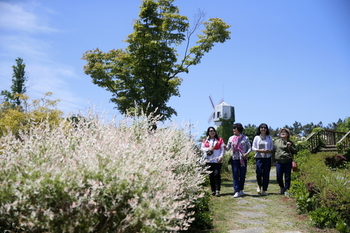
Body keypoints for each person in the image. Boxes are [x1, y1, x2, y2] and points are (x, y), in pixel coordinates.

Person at [225, 123, 251, 198]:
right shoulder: (231, 138)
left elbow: (249, 147)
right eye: (233, 128)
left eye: (235, 128)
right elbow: (228, 148)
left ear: (239, 129)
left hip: (243, 158)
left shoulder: (245, 138)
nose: (233, 130)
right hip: (234, 159)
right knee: (235, 174)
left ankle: (241, 189)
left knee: (242, 175)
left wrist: (247, 154)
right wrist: (224, 147)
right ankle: (236, 190)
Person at [200, 127, 225, 197]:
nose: (212, 132)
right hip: (208, 160)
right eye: (210, 131)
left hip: (217, 160)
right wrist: (208, 148)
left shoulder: (220, 140)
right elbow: (202, 149)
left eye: (213, 130)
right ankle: (213, 190)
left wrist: (221, 157)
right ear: (208, 132)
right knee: (211, 176)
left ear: (215, 132)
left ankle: (217, 190)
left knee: (216, 174)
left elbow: (222, 149)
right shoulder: (205, 141)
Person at [272, 128, 297, 195]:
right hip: (279, 162)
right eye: (281, 132)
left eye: (285, 132)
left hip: (287, 161)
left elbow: (295, 151)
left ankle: (287, 190)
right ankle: (282, 187)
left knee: (287, 177)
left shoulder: (290, 142)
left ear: (288, 134)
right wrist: (273, 161)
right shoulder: (276, 142)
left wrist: (290, 146)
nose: (283, 133)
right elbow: (273, 151)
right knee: (279, 177)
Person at [252, 123, 274, 196]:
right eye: (262, 127)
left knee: (266, 173)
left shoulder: (269, 137)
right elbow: (253, 148)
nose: (263, 129)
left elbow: (271, 147)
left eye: (265, 128)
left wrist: (268, 150)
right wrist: (260, 150)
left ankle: (264, 190)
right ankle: (259, 185)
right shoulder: (256, 137)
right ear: (259, 129)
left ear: (267, 129)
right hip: (259, 157)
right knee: (259, 172)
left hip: (267, 157)